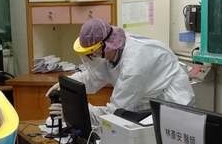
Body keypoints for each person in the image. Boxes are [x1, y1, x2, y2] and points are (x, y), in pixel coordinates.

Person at [45, 18, 194, 121]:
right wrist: (68, 84)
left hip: (172, 105)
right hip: (146, 100)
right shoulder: (113, 47)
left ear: (105, 47)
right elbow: (94, 77)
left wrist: (76, 111)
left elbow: (115, 113)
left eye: (93, 53)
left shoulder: (133, 65)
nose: (93, 58)